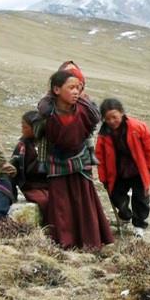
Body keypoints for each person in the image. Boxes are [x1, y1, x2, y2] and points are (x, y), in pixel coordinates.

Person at [36, 70, 114, 250]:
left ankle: (91, 241)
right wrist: (42, 162)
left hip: (80, 158)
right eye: (70, 88)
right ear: (56, 90)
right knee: (61, 205)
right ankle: (65, 242)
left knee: (84, 201)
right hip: (56, 160)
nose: (75, 92)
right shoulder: (47, 114)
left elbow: (88, 133)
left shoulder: (85, 111)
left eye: (77, 88)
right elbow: (42, 139)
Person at [95, 98, 150, 238]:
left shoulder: (138, 127)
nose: (112, 121)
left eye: (115, 117)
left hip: (138, 171)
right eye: (108, 119)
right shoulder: (104, 135)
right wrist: (103, 178)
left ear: (122, 113)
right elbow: (100, 158)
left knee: (141, 198)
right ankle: (125, 214)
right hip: (118, 171)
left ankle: (139, 226)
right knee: (116, 195)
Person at [10, 110, 49, 222]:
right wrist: (12, 192)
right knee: (44, 201)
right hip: (30, 185)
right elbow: (13, 168)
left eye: (24, 126)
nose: (22, 130)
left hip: (48, 183)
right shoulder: (22, 147)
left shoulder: (49, 144)